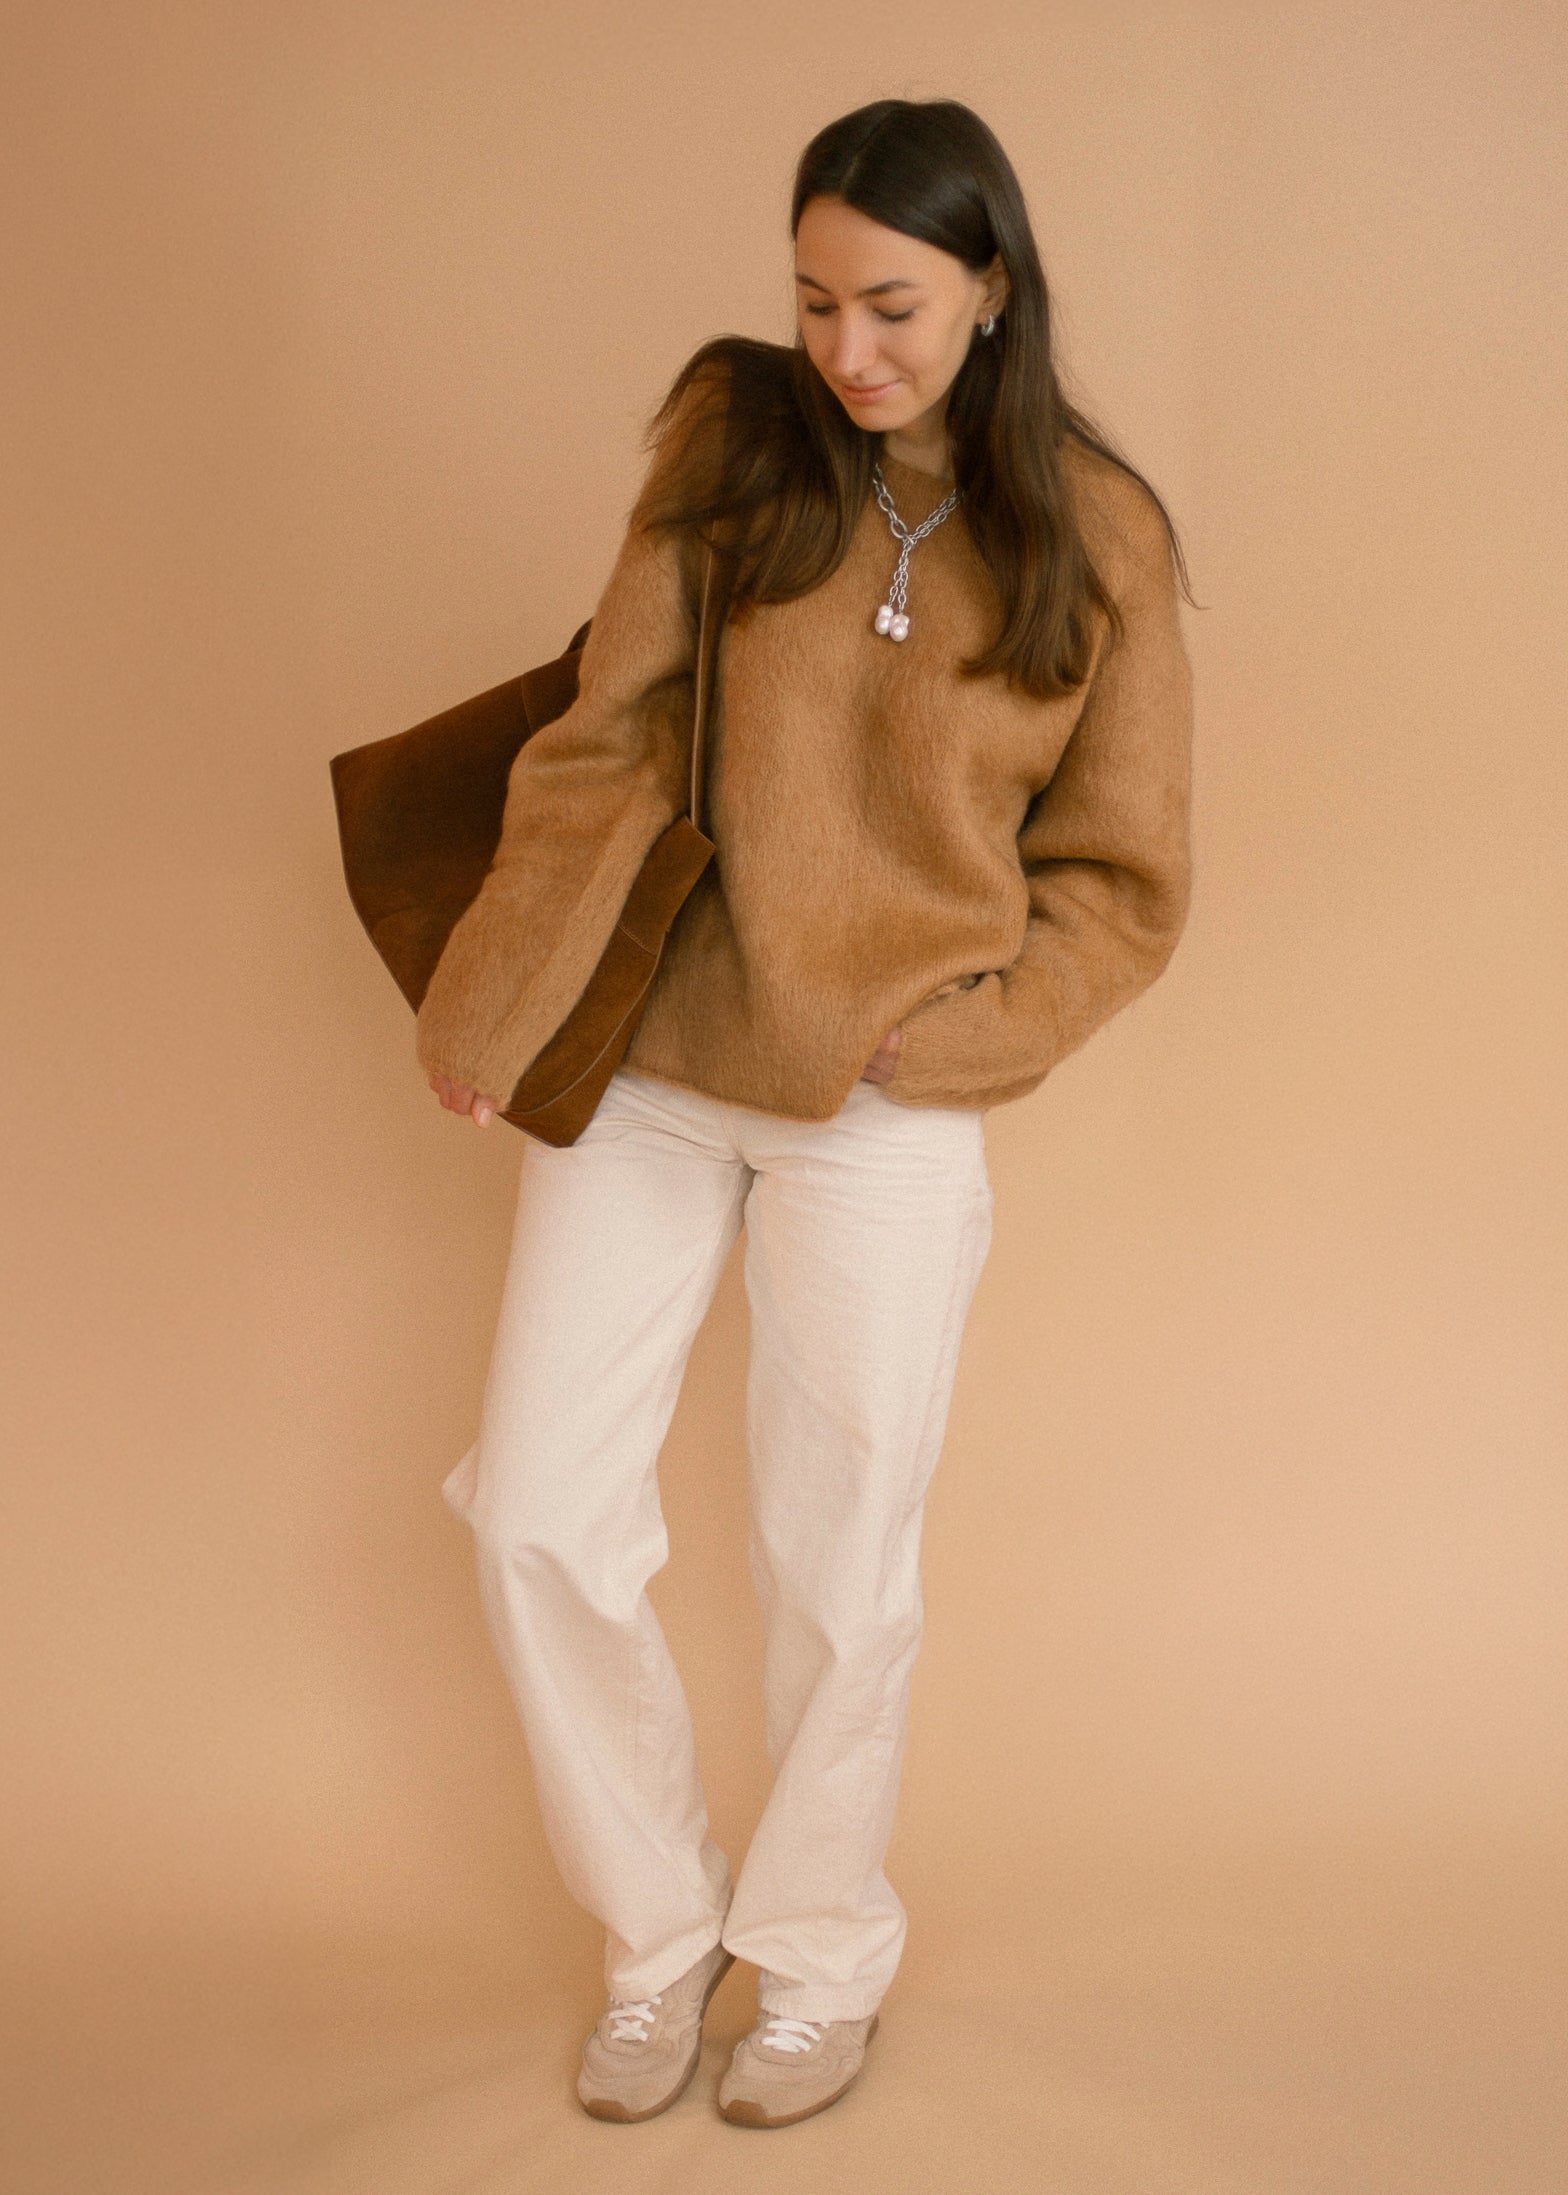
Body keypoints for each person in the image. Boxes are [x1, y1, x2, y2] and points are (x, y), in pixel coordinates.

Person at [413, 96, 1195, 2130]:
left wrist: (964, 1040)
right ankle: (663, 1943)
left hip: (883, 1109)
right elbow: (600, 748)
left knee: (843, 1564)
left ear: (994, 292)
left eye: (897, 311)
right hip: (661, 1074)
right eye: (817, 300)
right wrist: (490, 989)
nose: (850, 352)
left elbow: (1124, 880)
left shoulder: (1093, 535)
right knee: (532, 1514)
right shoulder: (735, 449)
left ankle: (819, 1957)